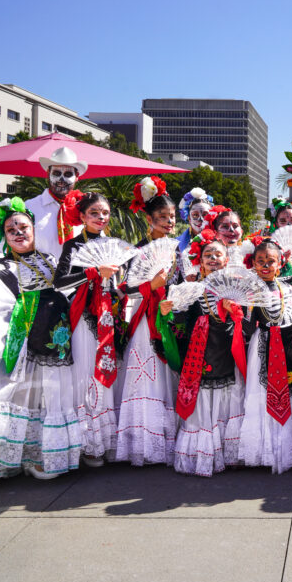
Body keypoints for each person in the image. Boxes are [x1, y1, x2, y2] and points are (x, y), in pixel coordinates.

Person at [0, 197, 80, 479]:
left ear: (33, 229)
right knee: (23, 398)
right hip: (24, 343)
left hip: (57, 337)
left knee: (52, 397)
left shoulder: (50, 259)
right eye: (12, 229)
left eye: (24, 226)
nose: (19, 232)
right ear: (4, 235)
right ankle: (18, 458)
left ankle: (47, 456)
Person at [159, 232, 246, 476]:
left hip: (226, 351)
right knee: (203, 399)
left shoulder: (236, 286)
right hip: (199, 352)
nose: (213, 258)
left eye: (218, 254)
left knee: (227, 397)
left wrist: (234, 312)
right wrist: (169, 311)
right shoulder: (191, 288)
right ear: (200, 260)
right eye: (208, 254)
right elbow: (181, 321)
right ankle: (202, 453)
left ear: (227, 259)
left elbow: (245, 324)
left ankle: (228, 453)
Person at [53, 191, 128, 467]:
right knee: (86, 375)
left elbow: (120, 282)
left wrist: (122, 290)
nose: (101, 218)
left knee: (106, 374)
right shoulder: (73, 246)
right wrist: (93, 272)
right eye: (94, 213)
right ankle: (84, 444)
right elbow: (59, 282)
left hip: (109, 316)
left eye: (105, 213)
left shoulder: (113, 245)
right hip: (85, 317)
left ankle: (103, 442)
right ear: (82, 216)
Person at [238, 240, 292, 473]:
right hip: (263, 346)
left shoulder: (286, 288)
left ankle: (291, 444)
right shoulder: (251, 291)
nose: (266, 265)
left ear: (280, 263)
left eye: (271, 261)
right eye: (260, 261)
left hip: (288, 346)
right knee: (264, 393)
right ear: (253, 264)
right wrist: (243, 309)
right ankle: (267, 448)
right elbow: (247, 329)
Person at [115, 177, 178, 466]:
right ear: (149, 220)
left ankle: (169, 437)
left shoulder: (177, 249)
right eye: (162, 217)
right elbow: (124, 287)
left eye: (172, 217)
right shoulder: (138, 250)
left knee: (171, 374)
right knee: (148, 376)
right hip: (145, 320)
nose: (169, 222)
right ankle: (142, 442)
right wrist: (150, 286)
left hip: (170, 317)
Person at [0, 147, 87, 259]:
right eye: (56, 173)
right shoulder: (28, 209)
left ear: (77, 177)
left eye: (68, 174)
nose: (61, 179)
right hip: (38, 275)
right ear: (48, 173)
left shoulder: (85, 209)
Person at [175, 187, 213, 281]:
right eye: (195, 215)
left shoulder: (220, 241)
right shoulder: (176, 244)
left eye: (205, 214)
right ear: (188, 217)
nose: (201, 219)